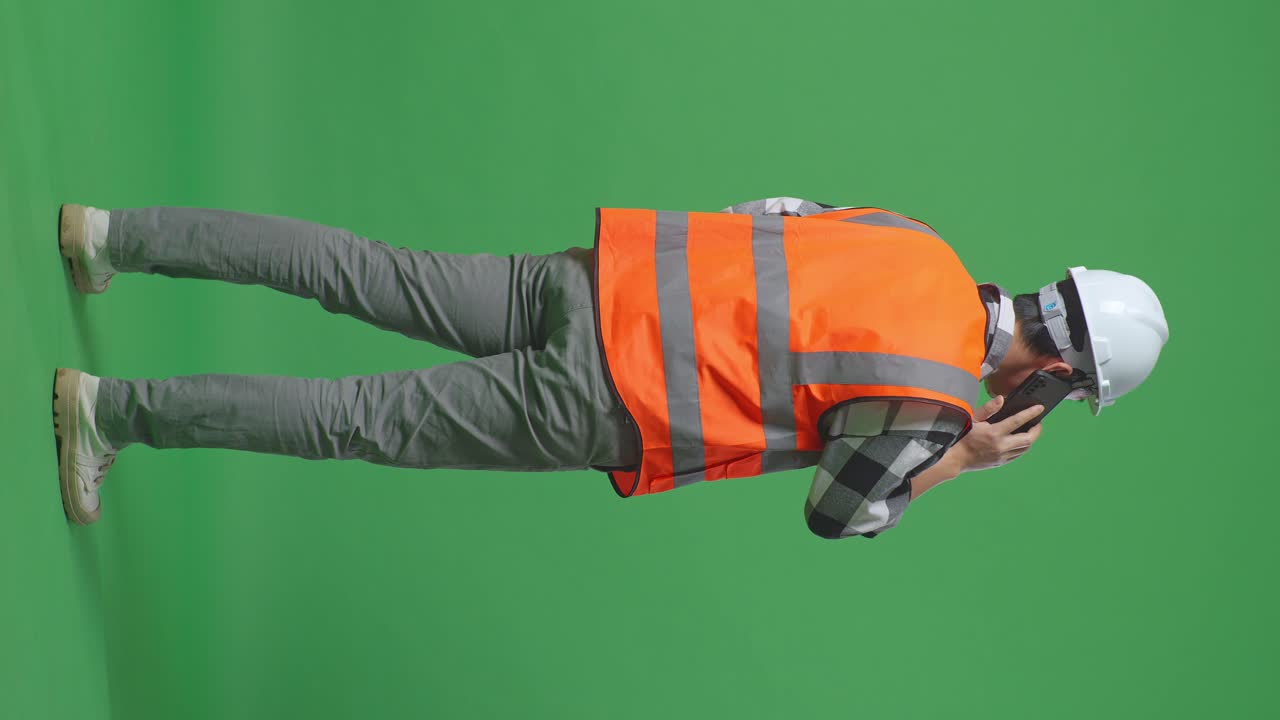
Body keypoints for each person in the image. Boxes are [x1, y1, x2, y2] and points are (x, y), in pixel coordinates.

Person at [52, 198, 1170, 534]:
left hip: (595, 279)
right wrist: (957, 458)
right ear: (1056, 375)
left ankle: (109, 236)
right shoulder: (931, 406)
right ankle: (107, 412)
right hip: (603, 399)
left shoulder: (917, 239)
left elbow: (766, 214)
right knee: (356, 418)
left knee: (360, 268)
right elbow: (838, 515)